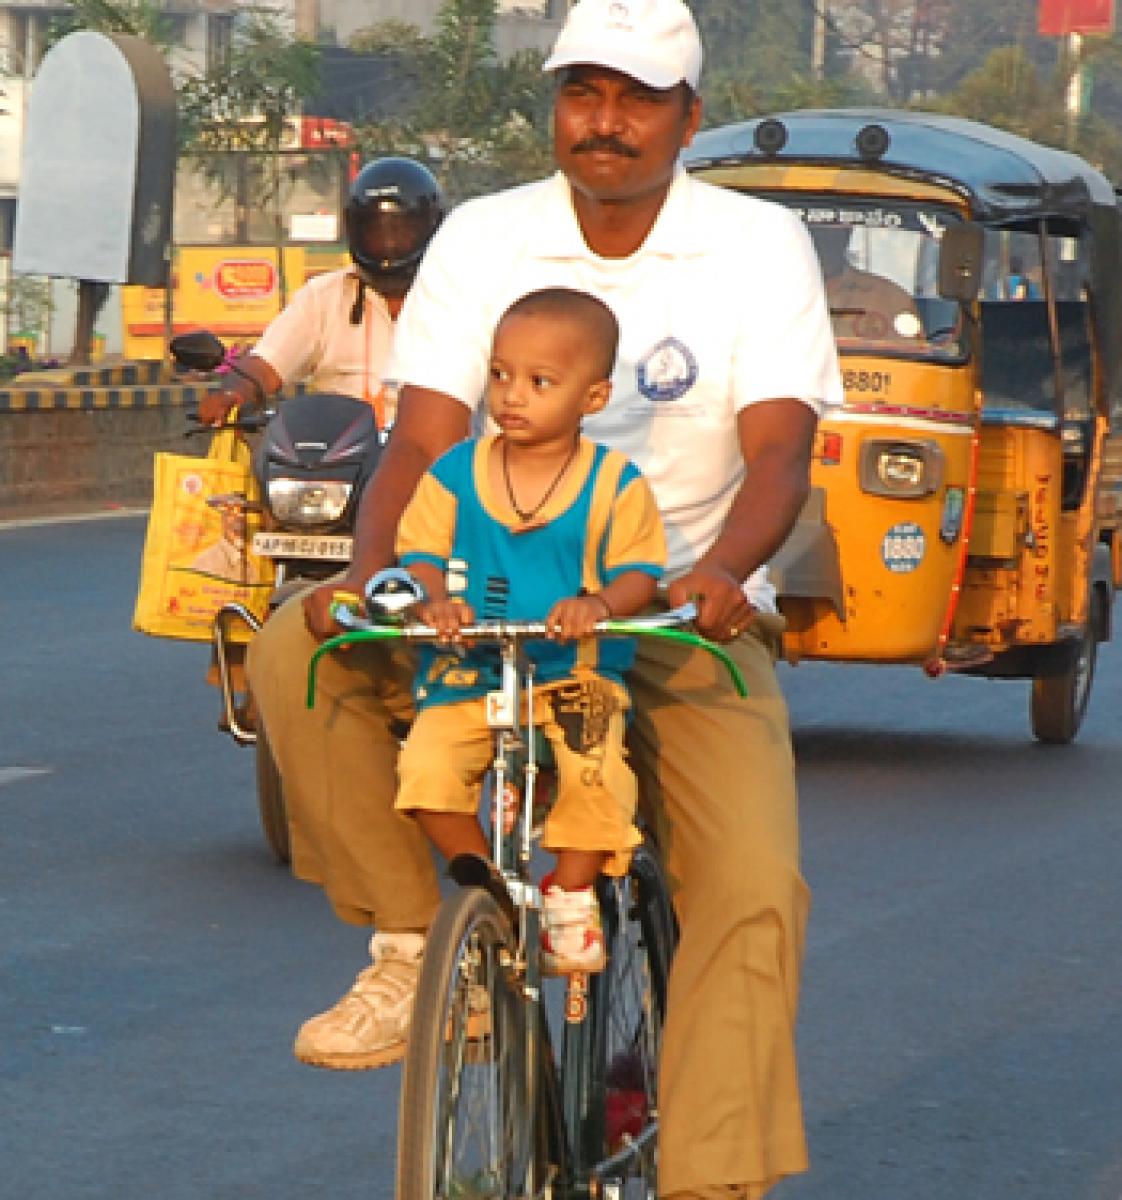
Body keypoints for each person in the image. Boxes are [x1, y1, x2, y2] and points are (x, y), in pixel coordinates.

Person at [247, 0, 843, 1194]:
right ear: (556, 105)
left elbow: (780, 449)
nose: (605, 123)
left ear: (689, 117)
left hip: (669, 612)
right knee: (292, 653)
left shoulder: (756, 243)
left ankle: (711, 1171)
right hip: (484, 592)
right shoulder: (485, 235)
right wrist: (376, 578)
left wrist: (724, 572)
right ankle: (421, 943)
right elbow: (419, 443)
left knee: (750, 882)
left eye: (635, 100)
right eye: (583, 93)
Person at [394, 286, 665, 978]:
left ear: (594, 397)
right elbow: (419, 552)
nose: (513, 395)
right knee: (424, 769)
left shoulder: (615, 484)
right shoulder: (454, 473)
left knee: (596, 770)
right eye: (501, 375)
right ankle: (485, 886)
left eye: (540, 382)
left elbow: (641, 573)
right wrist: (432, 602)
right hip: (470, 672)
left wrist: (598, 604)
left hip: (572, 673)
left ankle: (572, 891)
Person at [197, 157, 445, 431]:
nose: (388, 244)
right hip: (338, 461)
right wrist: (234, 394)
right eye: (375, 232)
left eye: (401, 232)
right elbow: (266, 365)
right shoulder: (323, 298)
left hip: (437, 461)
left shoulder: (462, 300)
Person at [812, 223, 922, 342]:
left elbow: (911, 355)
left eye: (833, 230)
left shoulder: (890, 299)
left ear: (849, 232)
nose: (826, 239)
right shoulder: (789, 292)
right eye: (818, 231)